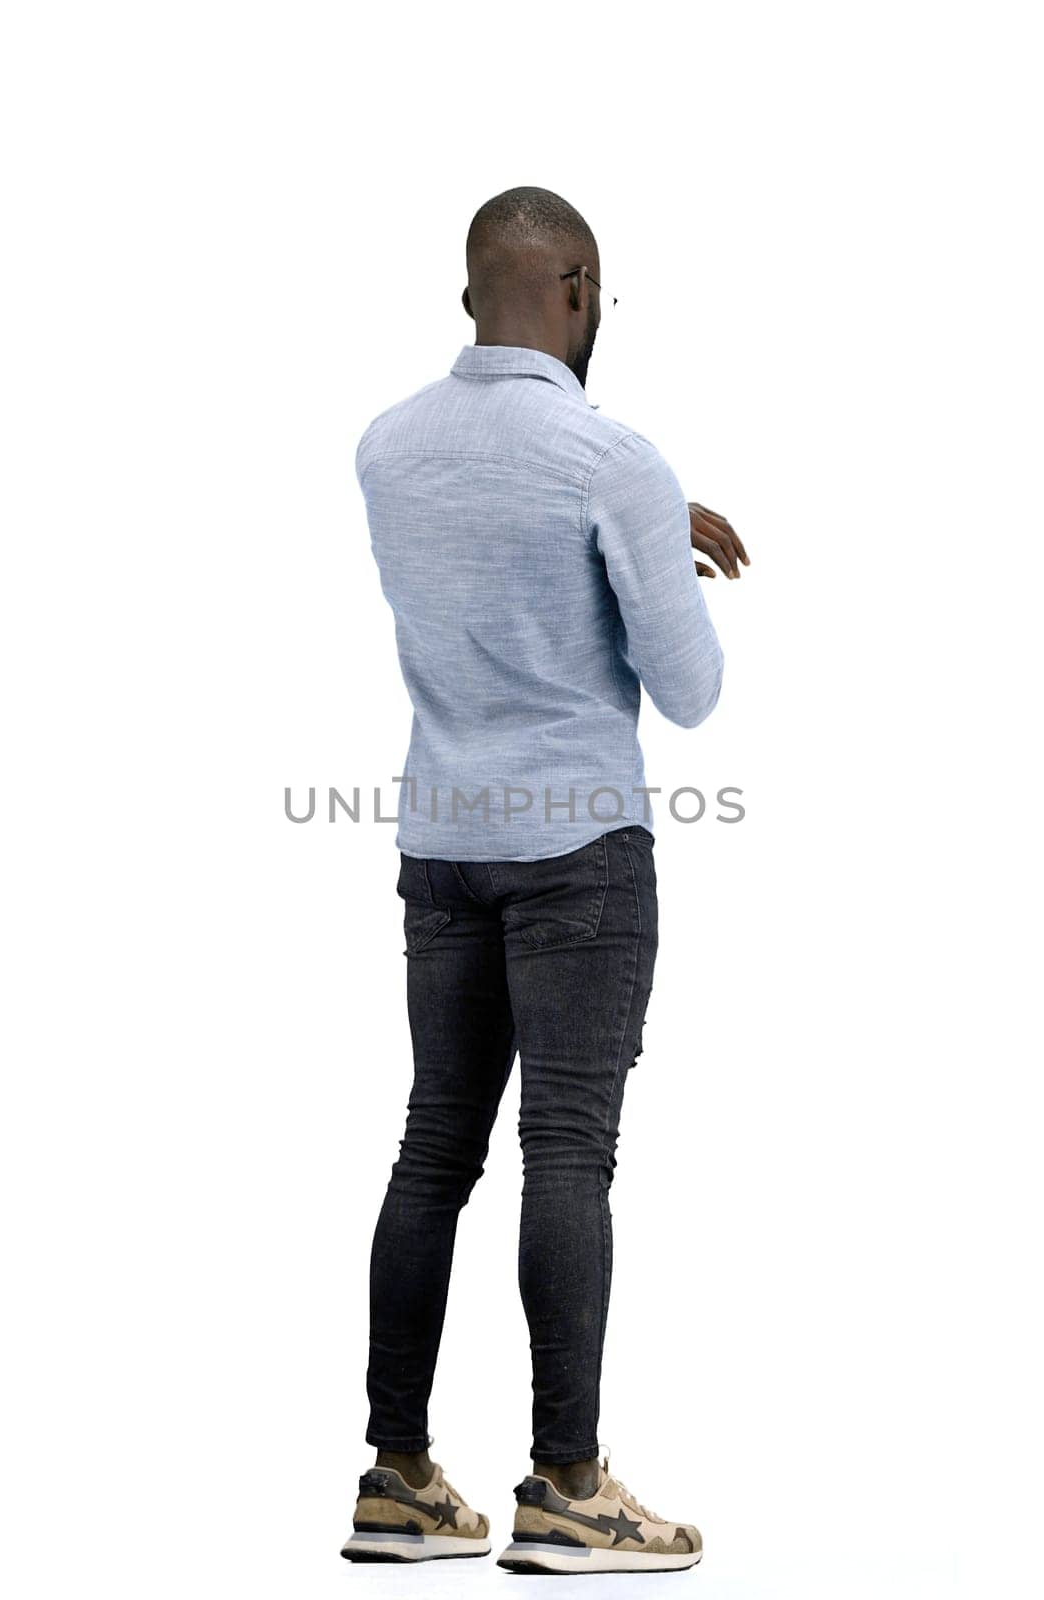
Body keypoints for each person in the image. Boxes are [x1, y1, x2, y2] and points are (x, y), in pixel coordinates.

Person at [341, 186, 749, 1574]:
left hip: (442, 844)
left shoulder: (386, 449)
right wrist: (649, 543)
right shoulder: (612, 459)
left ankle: (396, 1477)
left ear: (473, 300)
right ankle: (566, 1487)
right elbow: (689, 691)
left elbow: (488, 545)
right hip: (578, 855)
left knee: (434, 1145)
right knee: (567, 1156)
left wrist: (635, 520)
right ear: (576, 292)